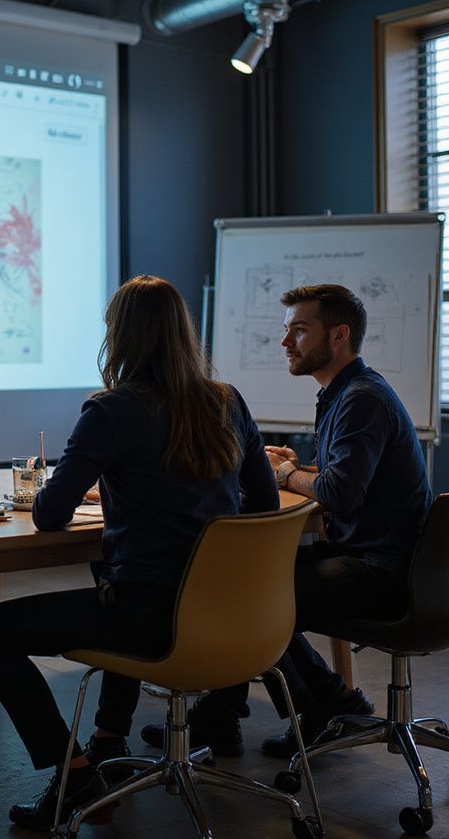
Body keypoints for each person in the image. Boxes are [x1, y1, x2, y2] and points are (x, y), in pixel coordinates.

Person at [0, 275, 278, 831]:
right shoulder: (227, 402)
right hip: (235, 617)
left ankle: (74, 775)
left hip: (147, 618)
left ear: (121, 337)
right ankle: (110, 737)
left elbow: (49, 515)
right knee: (110, 571)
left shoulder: (112, 410)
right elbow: (266, 500)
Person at [143, 283, 432, 759]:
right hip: (379, 555)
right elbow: (350, 477)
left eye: (299, 330)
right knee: (250, 582)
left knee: (252, 593)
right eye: (286, 331)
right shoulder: (351, 392)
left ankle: (316, 706)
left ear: (339, 335)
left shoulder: (360, 398)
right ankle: (288, 709)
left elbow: (340, 493)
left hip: (384, 569)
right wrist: (305, 469)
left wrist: (285, 472)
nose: (285, 342)